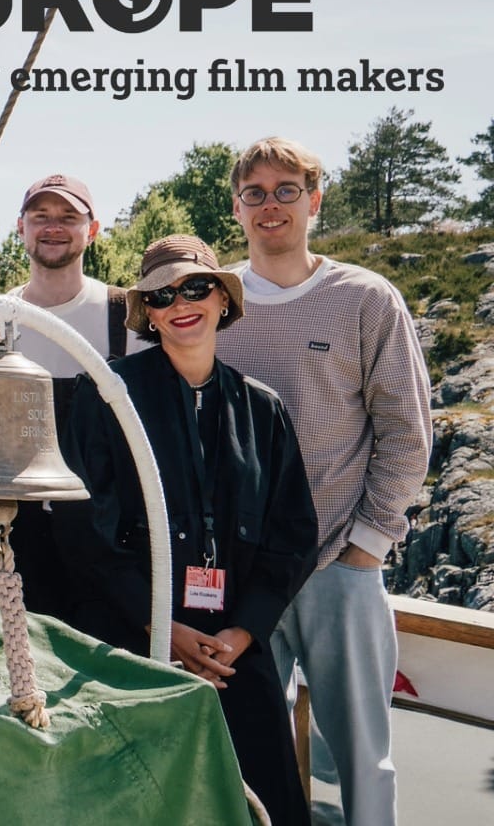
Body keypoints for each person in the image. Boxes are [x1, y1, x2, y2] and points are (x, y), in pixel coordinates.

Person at [53, 235, 317, 826]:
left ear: (223, 299)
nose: (181, 303)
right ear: (147, 314)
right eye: (161, 295)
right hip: (131, 638)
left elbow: (293, 533)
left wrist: (243, 632)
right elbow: (81, 525)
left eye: (196, 287)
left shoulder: (263, 409)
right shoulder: (107, 395)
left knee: (267, 798)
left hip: (231, 647)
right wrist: (159, 625)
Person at [213, 138, 433, 824]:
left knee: (363, 755)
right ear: (237, 209)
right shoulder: (214, 301)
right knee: (241, 752)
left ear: (314, 201)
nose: (270, 205)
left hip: (339, 564)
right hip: (242, 574)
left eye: (286, 191)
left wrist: (368, 545)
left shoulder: (365, 298)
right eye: (254, 193)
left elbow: (406, 431)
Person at [1, 173, 146, 620]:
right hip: (18, 542)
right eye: (40, 216)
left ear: (93, 229)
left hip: (112, 545)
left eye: (68, 217)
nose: (53, 227)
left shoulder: (127, 317)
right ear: (21, 227)